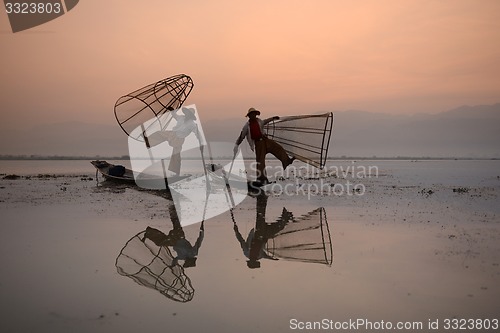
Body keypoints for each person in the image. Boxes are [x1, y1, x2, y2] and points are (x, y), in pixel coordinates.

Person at [234, 107, 294, 184]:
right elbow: (241, 136)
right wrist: (236, 145)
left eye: (254, 114)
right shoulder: (247, 126)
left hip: (265, 140)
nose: (253, 116)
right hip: (258, 144)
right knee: (260, 162)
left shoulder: (259, 121)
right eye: (251, 114)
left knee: (277, 148)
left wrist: (273, 118)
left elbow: (266, 121)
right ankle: (262, 179)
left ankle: (286, 161)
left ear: (256, 115)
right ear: (249, 116)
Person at [144, 106, 202, 176]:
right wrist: (172, 110)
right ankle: (148, 143)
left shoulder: (192, 124)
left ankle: (176, 173)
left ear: (191, 116)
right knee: (159, 133)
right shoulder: (181, 117)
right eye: (186, 113)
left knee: (176, 155)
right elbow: (175, 115)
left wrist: (200, 143)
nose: (187, 115)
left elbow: (197, 133)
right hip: (172, 134)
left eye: (188, 114)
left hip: (179, 139)